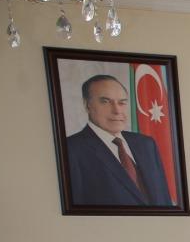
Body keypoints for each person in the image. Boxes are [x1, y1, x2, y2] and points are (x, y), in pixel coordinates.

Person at [64, 74, 174, 207]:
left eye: (122, 102)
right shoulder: (71, 149)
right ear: (87, 105)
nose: (117, 110)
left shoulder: (146, 144)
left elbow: (164, 200)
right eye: (105, 101)